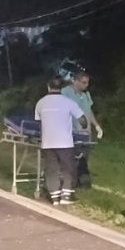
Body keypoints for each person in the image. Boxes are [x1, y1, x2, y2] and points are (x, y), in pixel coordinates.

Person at [36, 77, 94, 205]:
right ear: (61, 88)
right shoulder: (68, 102)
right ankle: (66, 197)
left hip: (48, 142)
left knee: (51, 169)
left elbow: (38, 123)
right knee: (68, 168)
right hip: (65, 142)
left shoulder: (40, 103)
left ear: (48, 87)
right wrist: (84, 128)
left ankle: (54, 198)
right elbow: (83, 120)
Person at [61, 72, 103, 188]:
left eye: (87, 83)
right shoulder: (66, 92)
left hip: (85, 132)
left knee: (84, 157)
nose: (86, 85)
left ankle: (81, 180)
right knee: (72, 156)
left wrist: (96, 126)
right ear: (76, 81)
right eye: (84, 83)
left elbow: (88, 112)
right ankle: (70, 181)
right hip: (72, 130)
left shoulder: (86, 95)